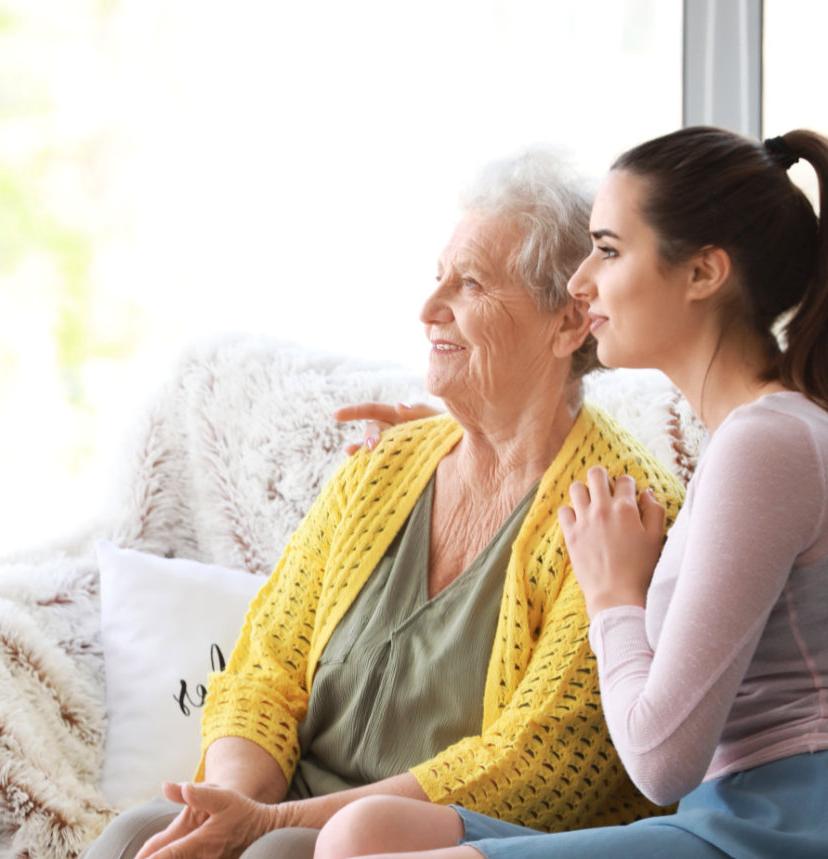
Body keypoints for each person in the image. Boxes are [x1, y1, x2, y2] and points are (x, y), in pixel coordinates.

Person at [80, 152, 684, 859]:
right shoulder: (384, 467)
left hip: (419, 839)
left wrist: (269, 830)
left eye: (471, 284)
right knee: (134, 832)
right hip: (286, 803)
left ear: (569, 322)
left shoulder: (617, 512)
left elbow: (524, 768)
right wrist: (237, 806)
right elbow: (264, 666)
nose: (429, 310)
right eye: (438, 278)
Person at [311, 125, 828, 859]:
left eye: (609, 250)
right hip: (722, 811)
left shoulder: (764, 443)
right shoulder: (751, 440)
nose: (581, 283)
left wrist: (614, 591)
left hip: (775, 824)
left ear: (704, 272)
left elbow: (660, 762)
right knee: (365, 831)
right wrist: (476, 437)